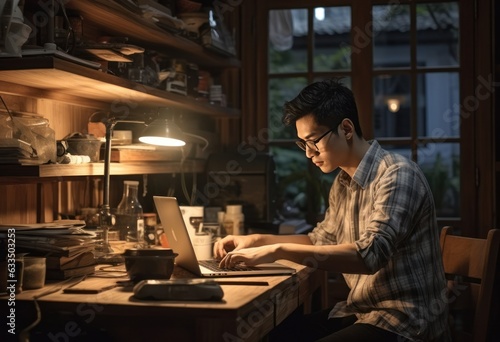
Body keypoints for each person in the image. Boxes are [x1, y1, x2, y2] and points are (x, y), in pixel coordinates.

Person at [214, 78, 450, 341]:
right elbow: (319, 240)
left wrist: (277, 250)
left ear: (346, 129)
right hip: (361, 312)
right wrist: (258, 240)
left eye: (313, 141)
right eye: (302, 144)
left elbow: (370, 255)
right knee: (272, 335)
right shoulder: (342, 182)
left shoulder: (396, 174)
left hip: (406, 322)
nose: (308, 153)